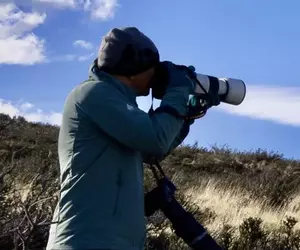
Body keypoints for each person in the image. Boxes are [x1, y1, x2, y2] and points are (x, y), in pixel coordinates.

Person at [46, 27, 198, 250]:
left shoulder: (116, 104)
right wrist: (177, 90)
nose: (156, 75)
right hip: (85, 240)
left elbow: (154, 151)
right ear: (133, 71)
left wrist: (186, 117)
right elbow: (154, 138)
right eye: (152, 68)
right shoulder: (93, 93)